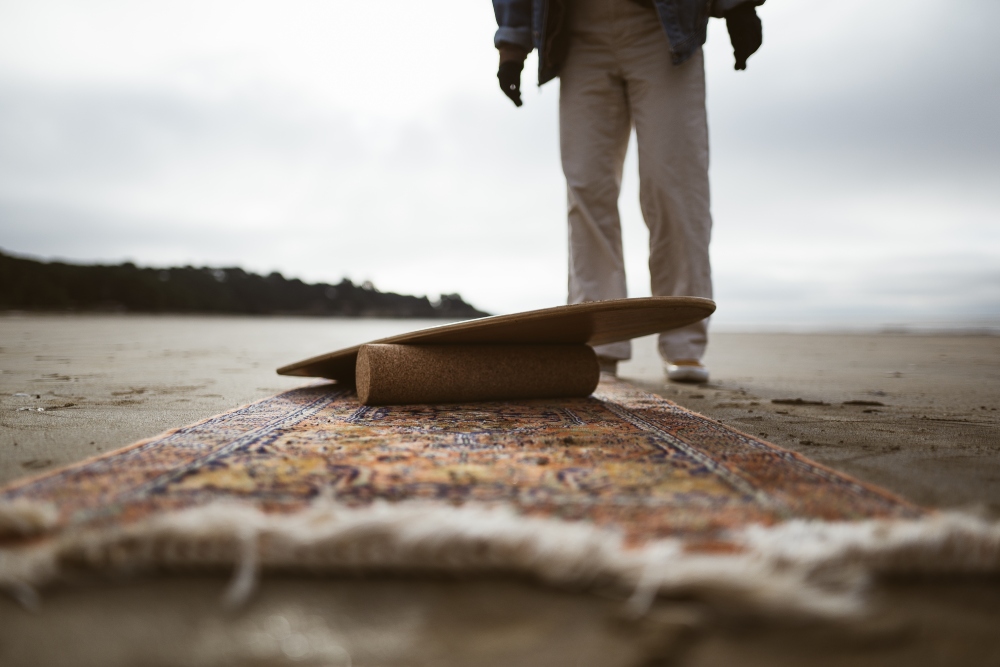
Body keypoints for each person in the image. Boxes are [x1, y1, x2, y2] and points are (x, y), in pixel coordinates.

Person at [492, 0, 763, 383]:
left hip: (662, 27)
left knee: (674, 185)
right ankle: (601, 341)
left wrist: (738, 7)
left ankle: (683, 341)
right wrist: (512, 44)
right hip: (575, 32)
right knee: (587, 187)